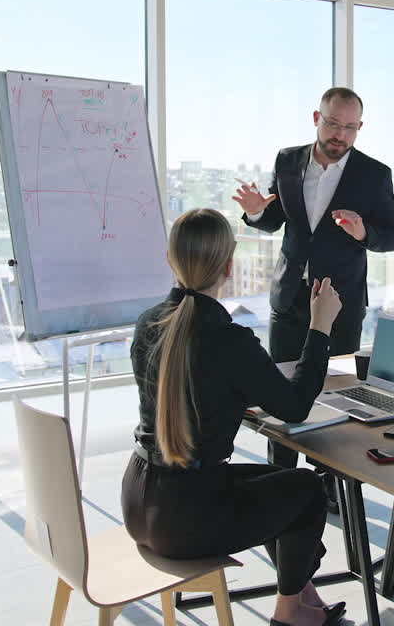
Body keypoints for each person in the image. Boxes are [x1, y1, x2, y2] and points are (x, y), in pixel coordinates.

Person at [120, 208, 347, 626]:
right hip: (187, 518)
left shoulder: (147, 322)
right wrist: (320, 327)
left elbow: (183, 393)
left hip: (139, 501)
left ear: (171, 260)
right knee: (308, 490)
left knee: (276, 486)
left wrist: (230, 396)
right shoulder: (230, 339)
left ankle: (305, 593)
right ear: (228, 266)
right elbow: (296, 408)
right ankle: (288, 612)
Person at [234, 86, 394, 470]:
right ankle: (279, 479)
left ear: (359, 128)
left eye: (349, 127)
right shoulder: (287, 160)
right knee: (279, 395)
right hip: (289, 297)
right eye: (331, 124)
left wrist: (363, 234)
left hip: (340, 304)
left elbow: (392, 236)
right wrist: (258, 213)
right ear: (316, 119)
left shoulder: (375, 175)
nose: (339, 135)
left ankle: (329, 485)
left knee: (336, 396)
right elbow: (276, 219)